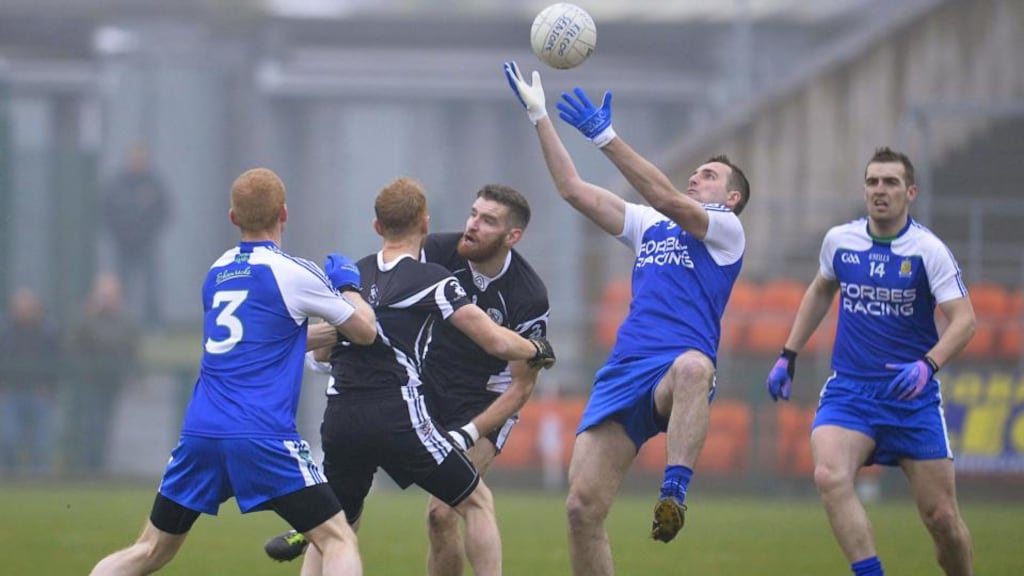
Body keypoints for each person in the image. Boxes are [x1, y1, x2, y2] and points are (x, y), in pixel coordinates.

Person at [504, 61, 750, 575]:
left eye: (708, 175)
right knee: (580, 509)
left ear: (731, 198)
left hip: (671, 370)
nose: (695, 177)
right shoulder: (651, 225)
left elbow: (664, 195)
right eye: (695, 171)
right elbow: (573, 189)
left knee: (694, 368)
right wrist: (539, 116)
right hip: (624, 369)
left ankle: (674, 493)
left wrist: (605, 136)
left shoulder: (726, 232)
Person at [89, 167, 378, 576]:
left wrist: (326, 331)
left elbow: (265, 342)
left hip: (200, 434)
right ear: (284, 214)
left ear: (232, 217)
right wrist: (349, 288)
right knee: (337, 539)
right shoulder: (293, 272)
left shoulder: (216, 272)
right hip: (261, 434)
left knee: (149, 550)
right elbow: (365, 332)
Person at [263, 184, 551, 576]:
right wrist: (538, 349)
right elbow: (496, 340)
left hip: (467, 401)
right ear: (424, 225)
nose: (473, 225)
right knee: (474, 502)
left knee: (337, 526)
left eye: (487, 220)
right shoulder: (436, 270)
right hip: (407, 403)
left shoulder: (353, 276)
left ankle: (311, 526)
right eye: (473, 214)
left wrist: (468, 433)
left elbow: (520, 386)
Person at [763, 147, 976, 576]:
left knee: (942, 520)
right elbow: (821, 288)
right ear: (864, 189)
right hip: (850, 391)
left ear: (910, 192)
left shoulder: (927, 250)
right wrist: (788, 354)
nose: (880, 190)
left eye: (891, 182)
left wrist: (927, 365)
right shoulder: (840, 241)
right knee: (829, 475)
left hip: (911, 399)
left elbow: (965, 321)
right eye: (873, 181)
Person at [68, 273, 140, 475]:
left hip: (114, 382)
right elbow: (75, 344)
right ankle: (90, 463)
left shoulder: (125, 321)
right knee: (91, 422)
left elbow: (131, 347)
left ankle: (101, 464)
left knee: (106, 423)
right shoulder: (86, 318)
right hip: (90, 381)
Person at [102, 144, 171, 326]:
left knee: (151, 286)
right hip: (123, 244)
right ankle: (121, 322)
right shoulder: (118, 184)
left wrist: (150, 231)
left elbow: (164, 210)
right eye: (135, 159)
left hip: (147, 243)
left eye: (141, 160)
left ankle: (153, 324)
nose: (137, 163)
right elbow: (106, 211)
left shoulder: (153, 184)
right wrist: (120, 234)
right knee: (121, 286)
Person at [0, 288, 62, 477]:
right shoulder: (5, 331)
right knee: (9, 438)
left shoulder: (47, 331)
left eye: (28, 307)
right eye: (20, 307)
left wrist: (49, 387)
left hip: (38, 394)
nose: (24, 311)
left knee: (41, 443)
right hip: (11, 393)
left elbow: (58, 361)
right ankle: (10, 477)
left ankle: (40, 479)